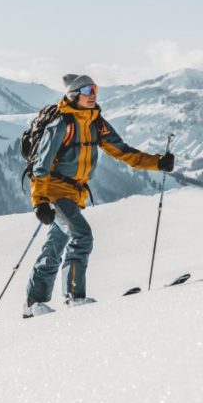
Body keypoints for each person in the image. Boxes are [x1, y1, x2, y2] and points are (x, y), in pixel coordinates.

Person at [24, 74, 175, 318]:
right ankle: (74, 296)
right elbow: (40, 166)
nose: (93, 93)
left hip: (75, 194)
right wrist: (39, 202)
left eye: (94, 88)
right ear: (74, 95)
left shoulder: (96, 122)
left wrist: (158, 162)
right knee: (82, 235)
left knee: (55, 246)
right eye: (86, 89)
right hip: (55, 191)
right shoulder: (61, 124)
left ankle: (34, 304)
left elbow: (124, 152)